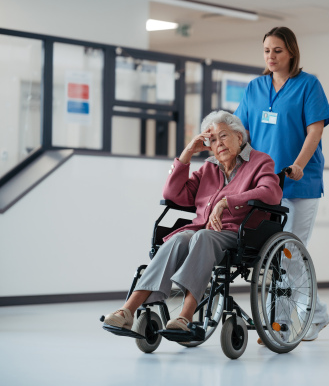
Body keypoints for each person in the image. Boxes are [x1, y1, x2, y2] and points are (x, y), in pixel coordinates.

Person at [103, 111, 282, 332]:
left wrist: (227, 202)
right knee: (179, 239)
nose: (218, 144)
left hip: (239, 233)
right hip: (201, 231)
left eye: (223, 136)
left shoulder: (260, 161)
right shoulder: (209, 168)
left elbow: (271, 192)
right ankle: (128, 310)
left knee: (202, 237)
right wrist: (187, 153)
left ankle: (185, 316)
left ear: (239, 136)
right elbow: (172, 193)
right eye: (212, 140)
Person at [234, 26, 329, 342]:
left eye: (277, 50)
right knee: (277, 253)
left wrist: (299, 166)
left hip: (300, 183)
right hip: (266, 184)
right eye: (266, 51)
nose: (271, 56)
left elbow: (314, 131)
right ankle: (315, 315)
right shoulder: (255, 88)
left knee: (288, 251)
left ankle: (279, 325)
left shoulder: (308, 85)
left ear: (291, 51)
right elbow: (241, 132)